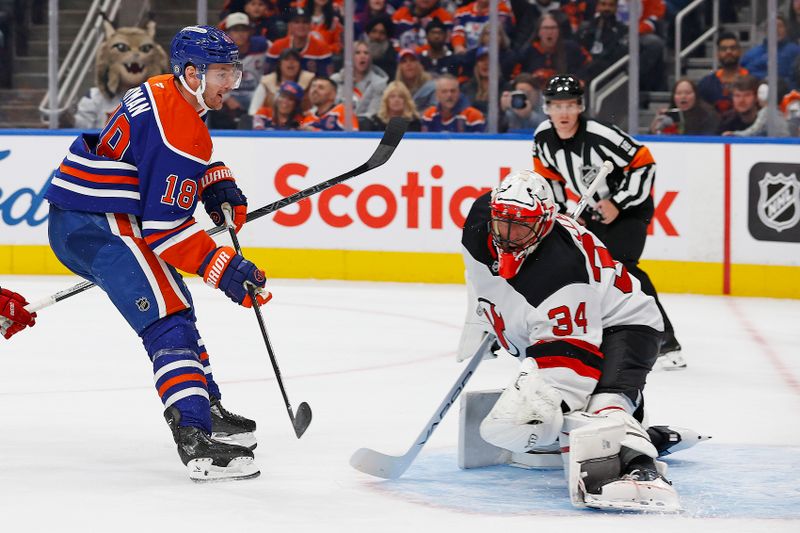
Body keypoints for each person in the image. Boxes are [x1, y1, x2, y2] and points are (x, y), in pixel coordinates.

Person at [43, 25, 271, 482]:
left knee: (176, 303)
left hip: (89, 212)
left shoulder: (166, 90)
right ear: (191, 73)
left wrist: (214, 182)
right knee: (167, 318)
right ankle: (194, 437)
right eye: (222, 72)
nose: (231, 82)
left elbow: (161, 159)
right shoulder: (179, 129)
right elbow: (166, 230)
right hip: (98, 224)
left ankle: (205, 407)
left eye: (233, 71)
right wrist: (226, 270)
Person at [460, 170, 680, 511]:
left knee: (599, 405)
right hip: (580, 316)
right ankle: (632, 421)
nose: (508, 235)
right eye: (503, 222)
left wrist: (544, 417)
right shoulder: (481, 216)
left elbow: (570, 376)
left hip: (625, 323)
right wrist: (485, 315)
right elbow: (481, 275)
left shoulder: (561, 277)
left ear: (545, 223)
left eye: (521, 226)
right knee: (551, 404)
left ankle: (641, 466)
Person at [532, 75, 684, 369]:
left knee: (622, 268)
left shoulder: (601, 135)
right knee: (581, 267)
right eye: (557, 106)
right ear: (547, 108)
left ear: (580, 107)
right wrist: (564, 212)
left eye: (570, 105)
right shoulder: (543, 138)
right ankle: (597, 334)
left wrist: (619, 202)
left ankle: (666, 339)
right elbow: (548, 176)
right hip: (591, 208)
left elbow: (644, 161)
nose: (563, 113)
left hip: (629, 209)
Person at [514, 13, 592, 84]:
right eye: (546, 28)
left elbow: (586, 64)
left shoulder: (571, 48)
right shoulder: (528, 52)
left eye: (553, 28)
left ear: (558, 31)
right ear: (539, 32)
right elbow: (516, 76)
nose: (550, 32)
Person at [265, 8, 333, 77]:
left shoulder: (322, 47)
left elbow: (326, 79)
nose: (301, 26)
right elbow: (268, 75)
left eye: (305, 22)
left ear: (311, 25)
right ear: (290, 25)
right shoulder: (277, 46)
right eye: (297, 22)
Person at [248, 47, 315, 117]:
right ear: (280, 64)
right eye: (287, 59)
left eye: (295, 60)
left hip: (302, 123)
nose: (291, 62)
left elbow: (317, 109)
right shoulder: (266, 82)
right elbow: (253, 111)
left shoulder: (310, 82)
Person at [331, 40, 389, 118]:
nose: (362, 56)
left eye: (366, 53)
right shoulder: (336, 80)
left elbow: (373, 114)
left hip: (364, 127)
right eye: (357, 53)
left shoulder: (379, 83)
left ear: (370, 58)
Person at [696, 32, 749, 115]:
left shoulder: (751, 80)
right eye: (724, 49)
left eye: (733, 48)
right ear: (717, 54)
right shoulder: (706, 83)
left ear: (740, 51)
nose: (728, 52)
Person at [741, 17, 800, 84]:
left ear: (786, 30)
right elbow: (743, 74)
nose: (776, 29)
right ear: (765, 31)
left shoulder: (796, 51)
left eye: (780, 26)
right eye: (772, 26)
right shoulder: (751, 54)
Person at [650, 78, 720, 135]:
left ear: (696, 95)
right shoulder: (668, 115)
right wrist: (654, 129)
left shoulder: (708, 115)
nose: (683, 96)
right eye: (679, 93)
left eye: (688, 93)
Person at [421, 73, 486, 132]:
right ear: (437, 95)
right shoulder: (429, 115)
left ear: (459, 93)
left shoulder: (473, 116)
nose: (449, 95)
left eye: (453, 91)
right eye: (444, 91)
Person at [395, 48, 437, 112]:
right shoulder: (395, 89)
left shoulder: (432, 86)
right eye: (404, 61)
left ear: (419, 64)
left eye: (412, 60)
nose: (408, 64)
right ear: (399, 67)